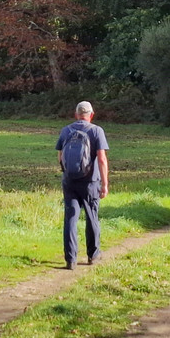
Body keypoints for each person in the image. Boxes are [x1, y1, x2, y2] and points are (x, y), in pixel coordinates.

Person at [56, 100, 109, 269]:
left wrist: (67, 173)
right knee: (92, 217)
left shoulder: (66, 130)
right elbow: (101, 159)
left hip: (69, 181)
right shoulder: (96, 131)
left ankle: (70, 259)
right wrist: (105, 184)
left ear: (76, 114)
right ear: (91, 115)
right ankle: (93, 256)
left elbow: (60, 156)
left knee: (71, 218)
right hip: (90, 183)